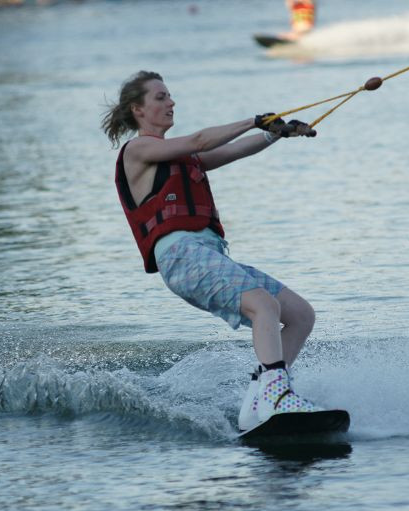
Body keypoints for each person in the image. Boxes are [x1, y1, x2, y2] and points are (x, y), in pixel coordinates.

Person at [102, 71, 324, 431]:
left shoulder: (184, 158)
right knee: (264, 306)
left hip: (210, 255)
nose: (170, 102)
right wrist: (253, 119)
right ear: (137, 109)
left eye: (170, 95)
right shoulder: (138, 150)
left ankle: (260, 397)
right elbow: (203, 140)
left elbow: (234, 150)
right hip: (181, 256)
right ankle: (276, 394)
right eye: (160, 97)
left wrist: (273, 133)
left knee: (300, 315)